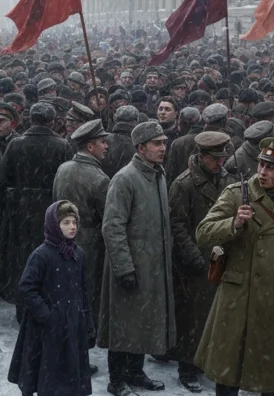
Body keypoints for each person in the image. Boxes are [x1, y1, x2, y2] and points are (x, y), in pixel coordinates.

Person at [196, 138, 274, 396]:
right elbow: (203, 232)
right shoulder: (236, 194)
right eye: (261, 165)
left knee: (273, 368)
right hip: (241, 294)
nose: (263, 171)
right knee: (229, 368)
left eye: (271, 167)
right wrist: (233, 224)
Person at [99, 121, 175, 396]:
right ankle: (116, 379)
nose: (162, 148)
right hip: (130, 265)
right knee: (123, 325)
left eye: (164, 143)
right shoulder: (125, 178)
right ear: (141, 148)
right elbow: (112, 226)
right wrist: (124, 268)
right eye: (157, 144)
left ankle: (135, 371)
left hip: (153, 265)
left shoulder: (157, 175)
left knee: (143, 321)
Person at [167, 131, 232, 393]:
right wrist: (197, 260)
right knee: (192, 319)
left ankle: (206, 361)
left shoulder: (227, 179)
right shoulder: (183, 184)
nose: (220, 163)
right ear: (201, 156)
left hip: (221, 259)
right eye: (215, 159)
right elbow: (178, 227)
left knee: (216, 317)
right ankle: (187, 367)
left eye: (223, 158)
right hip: (195, 263)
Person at [7, 201, 94, 396]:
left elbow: (83, 290)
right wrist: (46, 315)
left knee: (70, 374)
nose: (72, 227)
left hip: (72, 324)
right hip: (46, 329)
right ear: (54, 225)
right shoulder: (41, 255)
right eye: (65, 222)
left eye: (74, 222)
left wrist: (87, 320)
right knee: (47, 373)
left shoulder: (78, 254)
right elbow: (26, 288)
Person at [0, 102, 72, 317]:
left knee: (21, 258)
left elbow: (2, 179)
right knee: (48, 257)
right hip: (49, 208)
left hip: (19, 209)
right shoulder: (62, 146)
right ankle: (45, 303)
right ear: (52, 121)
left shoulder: (16, 144)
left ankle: (23, 303)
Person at [52, 119, 110, 320]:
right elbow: (107, 219)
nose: (106, 146)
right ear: (90, 146)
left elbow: (55, 204)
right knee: (86, 291)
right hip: (89, 245)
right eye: (102, 142)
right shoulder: (100, 178)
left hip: (61, 240)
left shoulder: (63, 169)